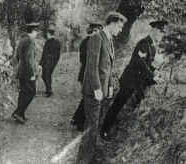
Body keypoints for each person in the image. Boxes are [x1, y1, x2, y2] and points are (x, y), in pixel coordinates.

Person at [101, 20, 168, 140]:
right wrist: (152, 76)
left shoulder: (152, 46)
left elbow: (149, 64)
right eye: (160, 33)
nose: (161, 36)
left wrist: (155, 73)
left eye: (162, 34)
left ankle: (119, 130)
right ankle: (104, 130)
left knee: (131, 106)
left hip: (138, 82)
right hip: (130, 81)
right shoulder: (144, 43)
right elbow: (140, 63)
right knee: (117, 105)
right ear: (154, 31)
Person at [76, 12, 127, 164]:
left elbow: (108, 68)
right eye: (119, 26)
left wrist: (110, 86)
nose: (121, 29)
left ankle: (88, 157)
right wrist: (98, 89)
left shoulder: (109, 40)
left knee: (94, 125)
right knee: (91, 128)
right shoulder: (96, 38)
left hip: (103, 91)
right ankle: (83, 160)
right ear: (111, 23)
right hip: (93, 91)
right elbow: (91, 67)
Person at [70, 23, 103, 132]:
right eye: (97, 30)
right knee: (87, 99)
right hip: (87, 74)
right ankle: (79, 122)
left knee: (86, 98)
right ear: (94, 30)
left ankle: (77, 119)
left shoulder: (86, 41)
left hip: (85, 73)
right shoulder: (89, 42)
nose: (99, 32)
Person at [11, 16, 41, 124]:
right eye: (36, 31)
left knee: (23, 93)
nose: (37, 34)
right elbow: (29, 59)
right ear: (32, 31)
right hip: (27, 72)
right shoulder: (30, 41)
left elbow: (18, 57)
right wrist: (32, 73)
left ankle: (21, 114)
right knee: (31, 92)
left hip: (21, 70)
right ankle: (18, 113)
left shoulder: (22, 40)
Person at [39, 26, 61, 97]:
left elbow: (44, 53)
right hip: (51, 62)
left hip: (47, 62)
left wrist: (41, 63)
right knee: (47, 75)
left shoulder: (48, 42)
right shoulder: (57, 42)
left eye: (47, 34)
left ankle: (49, 91)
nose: (47, 35)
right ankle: (49, 89)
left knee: (45, 75)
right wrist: (55, 62)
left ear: (49, 34)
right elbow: (58, 55)